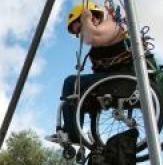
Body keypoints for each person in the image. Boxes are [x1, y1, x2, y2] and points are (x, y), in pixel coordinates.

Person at [52, 1, 133, 144]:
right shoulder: (99, 46)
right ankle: (76, 130)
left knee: (71, 82)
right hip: (113, 80)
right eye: (78, 33)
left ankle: (72, 132)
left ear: (92, 17)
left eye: (80, 29)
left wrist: (85, 19)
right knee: (81, 89)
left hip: (122, 80)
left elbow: (93, 36)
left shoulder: (112, 23)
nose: (81, 35)